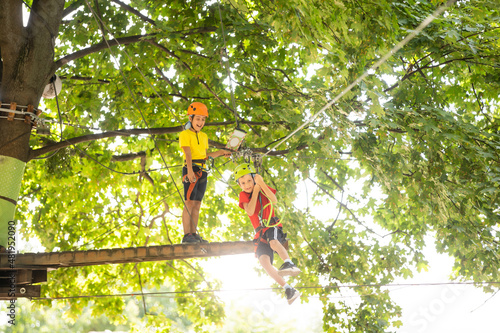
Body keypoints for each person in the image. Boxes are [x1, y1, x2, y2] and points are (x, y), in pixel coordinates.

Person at [234, 163, 302, 304]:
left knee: (274, 242)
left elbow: (274, 200)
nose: (247, 185)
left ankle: (289, 263)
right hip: (260, 234)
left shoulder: (261, 187)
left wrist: (262, 184)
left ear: (254, 179)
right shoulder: (243, 195)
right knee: (264, 262)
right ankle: (288, 289)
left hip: (270, 224)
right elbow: (250, 210)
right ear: (239, 185)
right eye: (243, 183)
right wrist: (256, 191)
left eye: (249, 181)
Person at [179, 102, 231, 243]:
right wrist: (189, 171)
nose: (200, 122)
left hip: (202, 170)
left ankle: (194, 234)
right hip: (191, 169)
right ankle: (187, 236)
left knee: (197, 203)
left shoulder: (204, 136)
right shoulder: (184, 134)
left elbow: (205, 155)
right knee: (189, 202)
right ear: (191, 119)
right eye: (198, 119)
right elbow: (188, 153)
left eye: (203, 119)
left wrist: (221, 152)